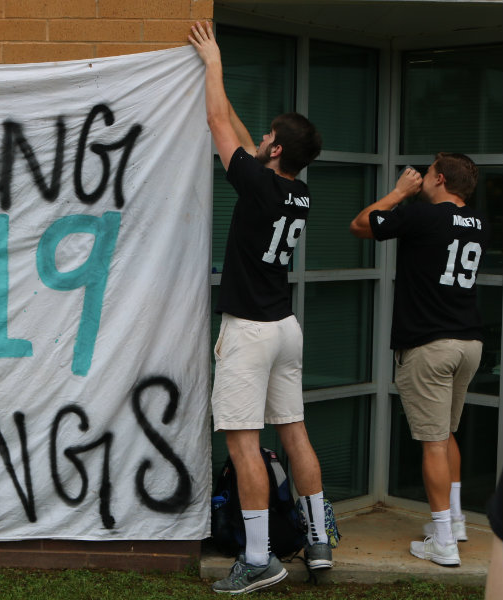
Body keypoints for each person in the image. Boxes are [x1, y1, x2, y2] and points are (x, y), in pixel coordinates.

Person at [189, 21, 331, 595]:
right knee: (294, 432)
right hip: (286, 328)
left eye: (270, 138)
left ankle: (258, 559)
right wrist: (264, 140)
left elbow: (219, 124)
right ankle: (319, 543)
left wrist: (212, 62)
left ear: (275, 150)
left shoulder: (259, 186)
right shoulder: (295, 189)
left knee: (243, 442)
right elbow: (247, 143)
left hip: (250, 331)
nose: (262, 142)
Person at [350, 154, 488, 567]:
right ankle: (457, 521)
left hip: (430, 345)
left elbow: (360, 224)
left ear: (440, 179)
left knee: (432, 442)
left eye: (426, 174)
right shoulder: (481, 222)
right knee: (445, 434)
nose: (421, 179)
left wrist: (398, 193)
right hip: (469, 343)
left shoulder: (422, 216)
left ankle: (443, 540)